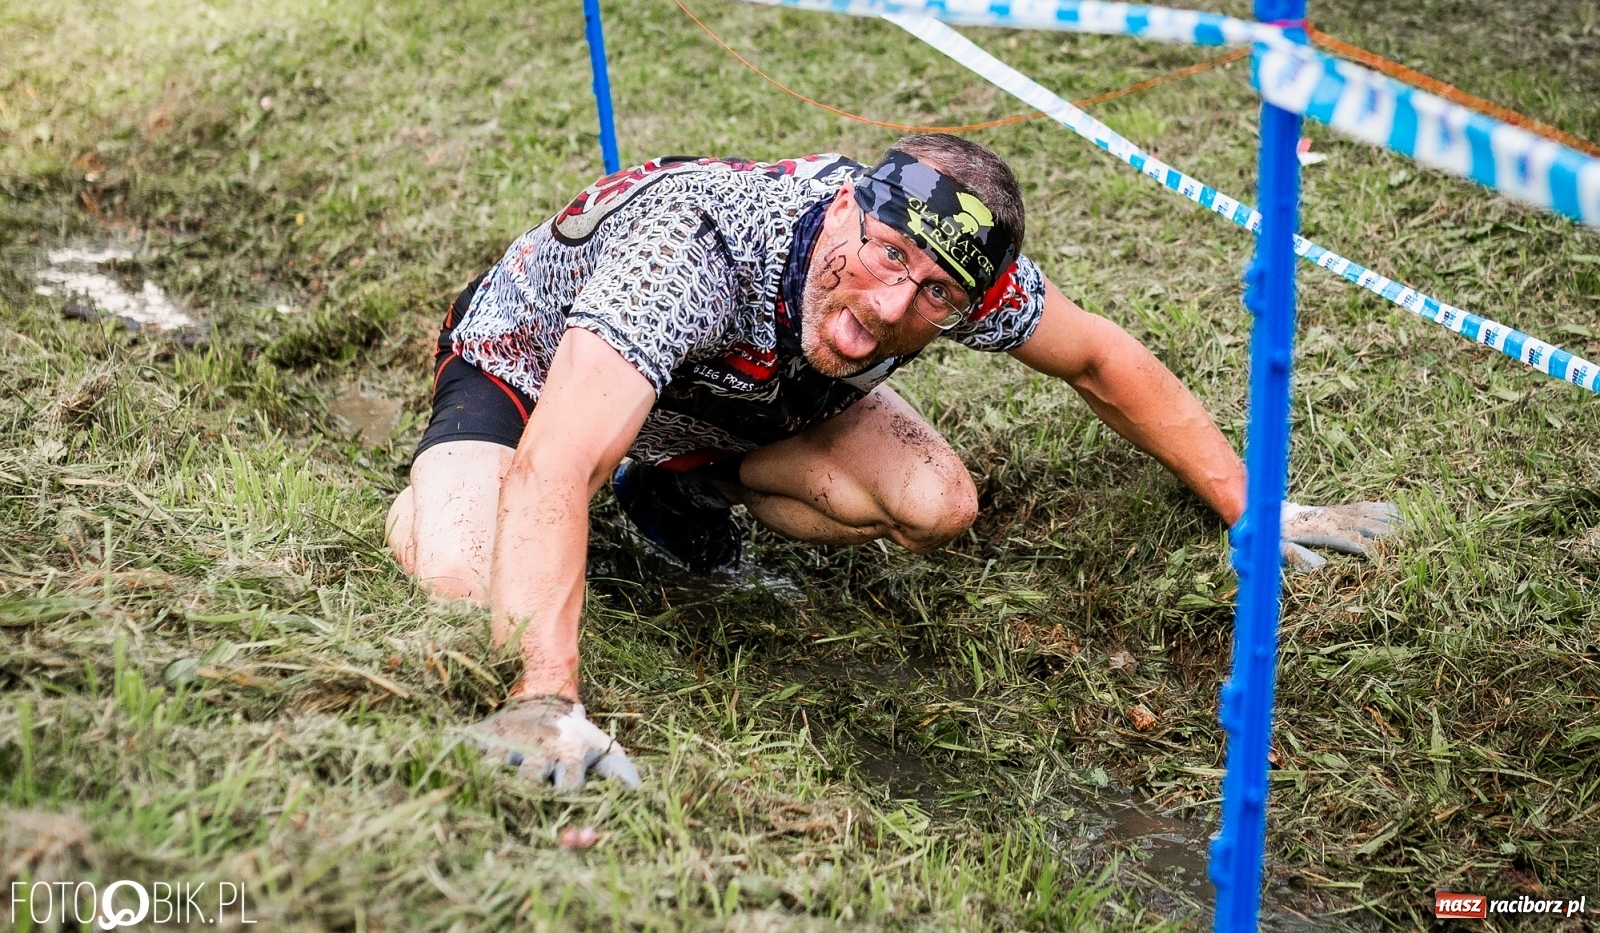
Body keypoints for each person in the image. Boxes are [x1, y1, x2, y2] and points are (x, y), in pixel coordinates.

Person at [385, 134, 1398, 791]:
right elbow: (558, 460)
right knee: (466, 581)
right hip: (532, 364)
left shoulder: (953, 267)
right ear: (843, 210)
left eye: (934, 297)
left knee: (933, 498)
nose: (889, 304)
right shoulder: (692, 246)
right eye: (882, 255)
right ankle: (442, 495)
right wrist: (547, 698)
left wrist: (1257, 511)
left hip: (719, 395)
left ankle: (675, 472)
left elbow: (1100, 358)